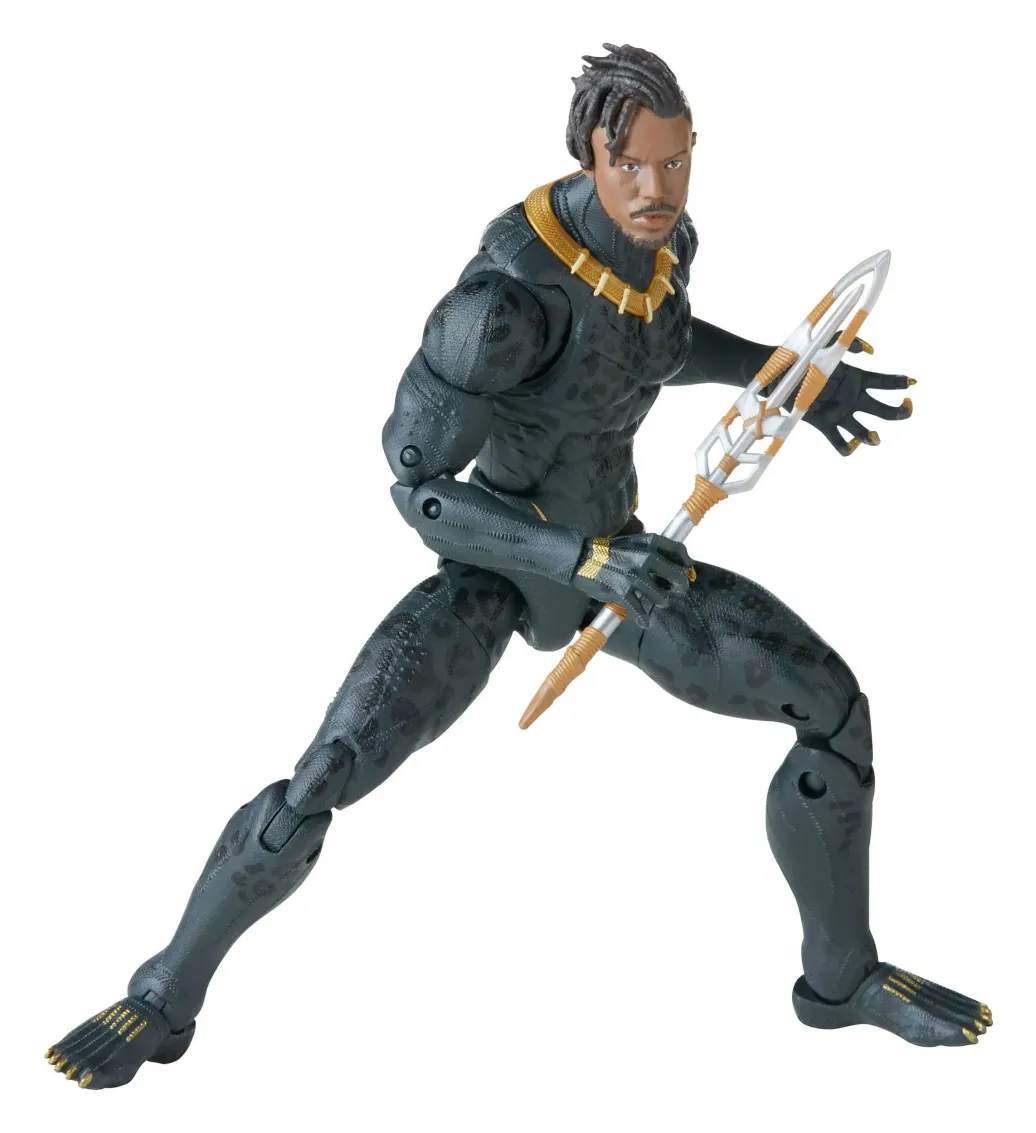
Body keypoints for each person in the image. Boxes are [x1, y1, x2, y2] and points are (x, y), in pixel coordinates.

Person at [44, 43, 989, 1091]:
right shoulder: (500, 307)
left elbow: (654, 348)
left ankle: (841, 979)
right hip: (500, 575)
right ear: (592, 154)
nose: (657, 188)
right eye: (633, 166)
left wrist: (783, 376)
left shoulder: (665, 247)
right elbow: (418, 491)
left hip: (623, 563)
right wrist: (573, 555)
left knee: (833, 707)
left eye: (676, 162)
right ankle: (161, 997)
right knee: (322, 776)